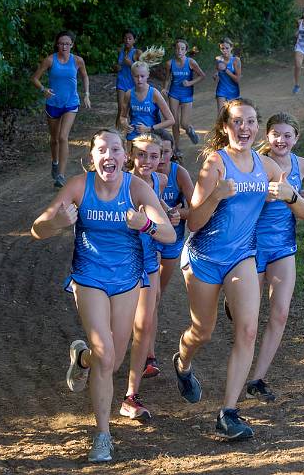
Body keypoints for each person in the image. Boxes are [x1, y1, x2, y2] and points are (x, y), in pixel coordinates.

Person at [31, 129, 174, 463]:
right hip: (89, 278)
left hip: (127, 281)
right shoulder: (79, 186)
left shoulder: (136, 188)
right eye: (101, 150)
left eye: (115, 149)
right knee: (106, 354)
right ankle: (103, 435)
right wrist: (58, 224)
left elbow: (167, 233)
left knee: (111, 360)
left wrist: (145, 225)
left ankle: (82, 360)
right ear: (91, 158)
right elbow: (37, 228)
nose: (108, 155)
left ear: (124, 157)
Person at [172, 99, 304, 440]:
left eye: (250, 122)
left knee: (246, 331)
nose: (243, 128)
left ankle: (228, 412)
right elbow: (195, 224)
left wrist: (292, 196)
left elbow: (303, 211)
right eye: (237, 122)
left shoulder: (266, 165)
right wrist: (216, 195)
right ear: (224, 127)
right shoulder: (214, 164)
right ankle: (183, 363)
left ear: (256, 127)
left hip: (242, 256)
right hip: (204, 258)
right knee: (202, 332)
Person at [245, 112, 304, 403]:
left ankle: (257, 379)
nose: (281, 140)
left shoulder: (301, 164)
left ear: (296, 138)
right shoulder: (255, 162)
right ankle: (233, 297)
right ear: (267, 136)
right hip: (251, 247)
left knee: (279, 312)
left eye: (287, 135)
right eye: (275, 134)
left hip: (283, 246)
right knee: (248, 318)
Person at [120, 132, 181, 421]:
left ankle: (130, 394)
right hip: (119, 261)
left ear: (162, 158)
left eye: (154, 155)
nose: (147, 160)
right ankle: (88, 360)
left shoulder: (161, 181)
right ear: (131, 154)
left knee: (144, 323)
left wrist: (172, 214)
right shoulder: (119, 182)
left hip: (148, 258)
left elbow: (162, 211)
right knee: (116, 330)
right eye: (141, 154)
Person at [141, 129, 194, 379]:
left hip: (172, 241)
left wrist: (177, 214)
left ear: (173, 153)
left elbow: (194, 209)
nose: (160, 158)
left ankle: (142, 341)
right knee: (153, 296)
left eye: (165, 152)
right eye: (156, 152)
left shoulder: (178, 173)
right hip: (150, 239)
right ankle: (148, 355)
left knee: (155, 298)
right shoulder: (139, 178)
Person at [31, 30, 91, 188]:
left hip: (71, 103)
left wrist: (86, 94)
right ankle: (55, 161)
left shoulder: (77, 61)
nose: (64, 46)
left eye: (67, 44)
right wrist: (43, 89)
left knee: (64, 137)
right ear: (57, 44)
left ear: (72, 45)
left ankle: (61, 176)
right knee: (55, 139)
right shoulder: (50, 60)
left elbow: (84, 75)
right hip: (53, 104)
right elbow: (35, 78)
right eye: (61, 43)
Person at [161, 39, 206, 158]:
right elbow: (167, 78)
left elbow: (202, 76)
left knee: (184, 123)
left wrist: (190, 83)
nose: (179, 51)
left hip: (187, 94)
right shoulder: (169, 63)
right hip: (174, 94)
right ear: (174, 50)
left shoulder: (191, 62)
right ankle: (176, 148)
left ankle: (189, 130)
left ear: (186, 50)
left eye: (182, 49)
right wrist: (164, 88)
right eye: (177, 48)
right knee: (174, 122)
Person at [119, 61, 175, 146]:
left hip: (152, 137)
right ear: (131, 75)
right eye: (136, 76)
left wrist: (149, 128)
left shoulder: (154, 93)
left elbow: (171, 120)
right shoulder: (129, 94)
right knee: (131, 159)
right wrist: (125, 125)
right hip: (133, 137)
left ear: (148, 75)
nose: (139, 79)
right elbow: (123, 117)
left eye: (142, 76)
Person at [113, 30, 142, 126]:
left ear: (134, 40)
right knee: (121, 109)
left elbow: (143, 69)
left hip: (133, 84)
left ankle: (131, 133)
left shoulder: (137, 52)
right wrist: (116, 67)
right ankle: (116, 133)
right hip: (121, 82)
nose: (127, 40)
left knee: (132, 110)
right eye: (125, 38)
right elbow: (118, 66)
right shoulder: (121, 51)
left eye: (130, 38)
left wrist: (131, 64)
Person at [212, 38, 241, 114]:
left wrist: (225, 70)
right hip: (221, 90)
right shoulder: (218, 59)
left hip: (233, 91)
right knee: (221, 116)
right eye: (222, 48)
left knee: (233, 116)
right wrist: (216, 74)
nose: (224, 50)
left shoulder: (236, 60)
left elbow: (237, 79)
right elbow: (218, 71)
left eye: (227, 48)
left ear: (231, 47)